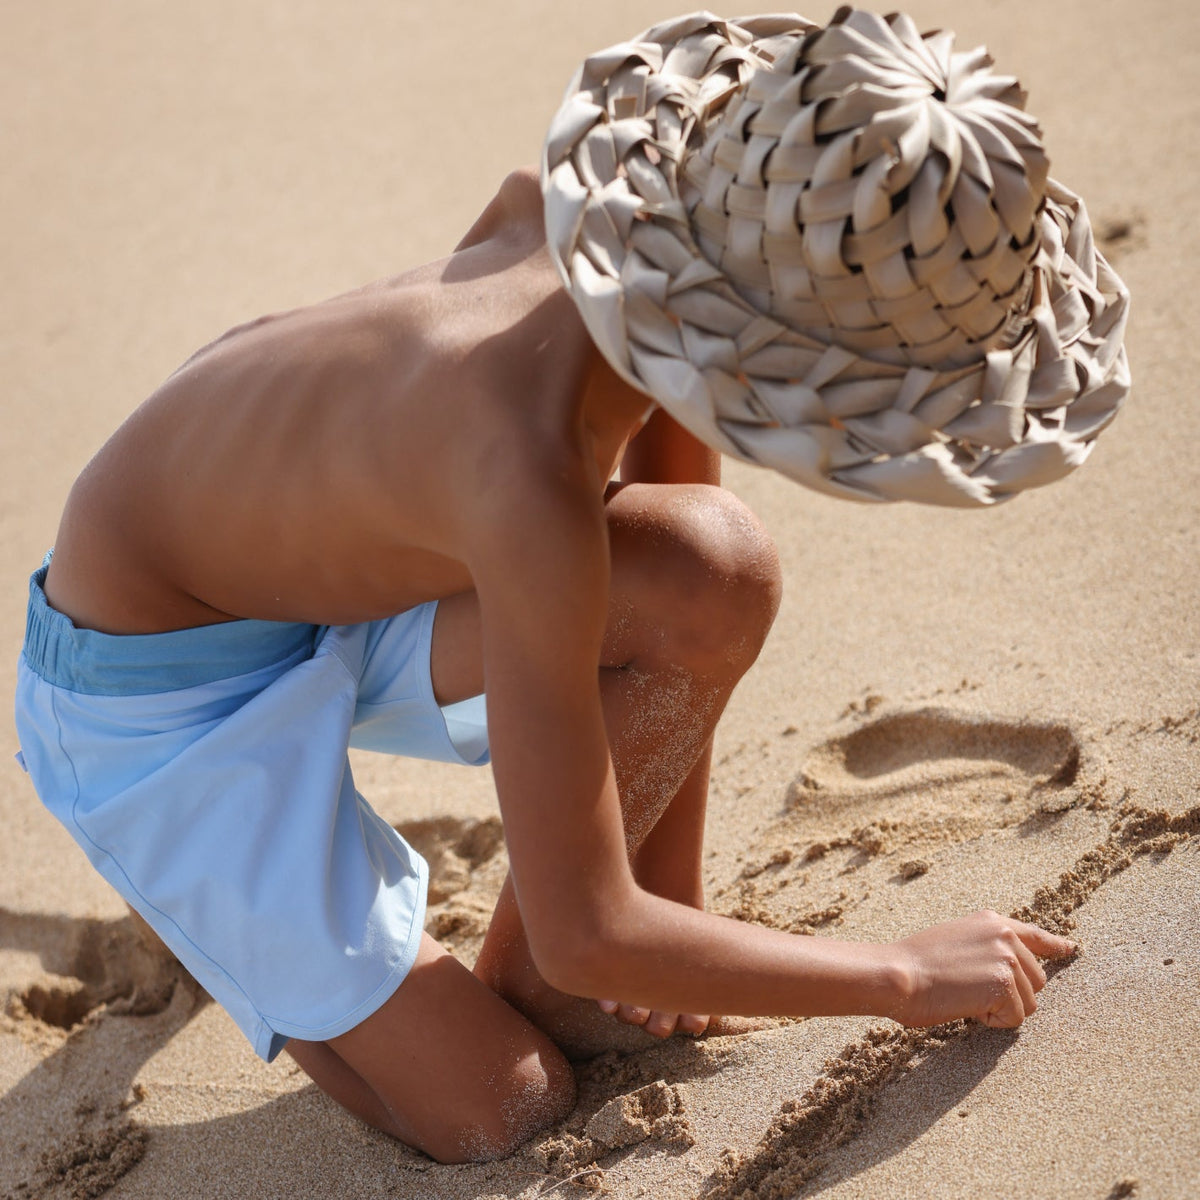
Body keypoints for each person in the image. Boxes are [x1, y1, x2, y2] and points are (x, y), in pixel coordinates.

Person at [14, 9, 1127, 1167]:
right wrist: (898, 977)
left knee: (713, 567)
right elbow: (589, 933)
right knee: (505, 1101)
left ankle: (337, 934)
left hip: (305, 580)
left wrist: (673, 913)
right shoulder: (522, 489)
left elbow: (676, 485)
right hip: (146, 708)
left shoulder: (614, 257)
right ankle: (212, 917)